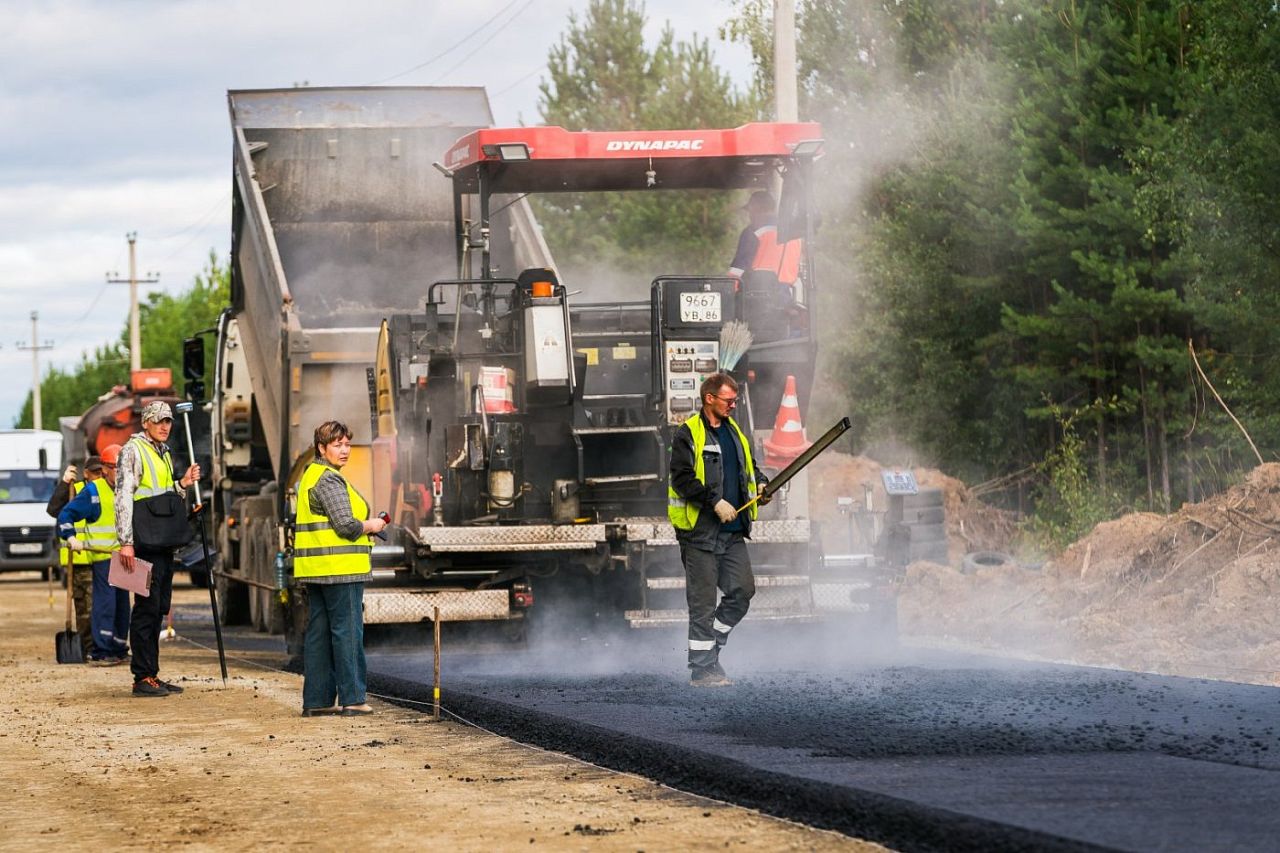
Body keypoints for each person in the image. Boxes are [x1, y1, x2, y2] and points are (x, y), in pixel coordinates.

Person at [667, 372, 769, 687]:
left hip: (733, 532)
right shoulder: (689, 433)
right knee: (702, 604)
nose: (733, 406)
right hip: (700, 535)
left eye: (735, 400)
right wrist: (714, 501)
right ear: (709, 398)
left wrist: (762, 482)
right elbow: (681, 479)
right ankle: (703, 671)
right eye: (729, 400)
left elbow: (749, 466)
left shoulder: (735, 432)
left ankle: (711, 643)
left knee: (742, 591)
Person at [294, 420, 386, 717]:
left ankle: (318, 701)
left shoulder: (311, 475)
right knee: (347, 634)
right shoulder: (328, 479)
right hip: (341, 570)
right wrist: (374, 525)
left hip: (318, 569)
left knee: (319, 635)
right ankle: (353, 698)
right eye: (337, 445)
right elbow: (346, 525)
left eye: (347, 444)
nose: (345, 450)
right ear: (322, 448)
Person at [115, 402, 200, 697]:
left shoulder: (162, 452)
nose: (165, 426)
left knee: (159, 608)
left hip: (161, 540)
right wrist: (125, 541)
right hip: (143, 543)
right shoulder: (133, 451)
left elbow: (161, 496)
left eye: (168, 421)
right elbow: (124, 496)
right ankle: (142, 677)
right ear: (146, 423)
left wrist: (183, 484)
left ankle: (152, 673)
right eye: (159, 421)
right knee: (146, 609)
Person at [57, 445, 129, 665]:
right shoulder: (93, 492)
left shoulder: (127, 489)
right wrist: (70, 538)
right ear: (105, 469)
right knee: (105, 604)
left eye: (122, 467)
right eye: (115, 468)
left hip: (124, 558)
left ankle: (117, 647)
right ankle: (101, 650)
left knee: (122, 607)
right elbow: (65, 514)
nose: (119, 471)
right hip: (102, 558)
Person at [48, 459, 95, 659]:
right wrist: (64, 484)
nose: (98, 476)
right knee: (84, 608)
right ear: (87, 473)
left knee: (102, 606)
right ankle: (88, 647)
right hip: (78, 559)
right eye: (95, 472)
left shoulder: (107, 490)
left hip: (101, 556)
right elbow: (53, 510)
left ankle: (105, 646)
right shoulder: (74, 490)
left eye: (102, 472)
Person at [727, 190, 802, 292]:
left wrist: (728, 291)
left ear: (754, 208)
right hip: (788, 296)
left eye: (749, 211)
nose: (750, 215)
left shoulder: (752, 231)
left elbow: (738, 269)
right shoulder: (795, 233)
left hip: (760, 295)